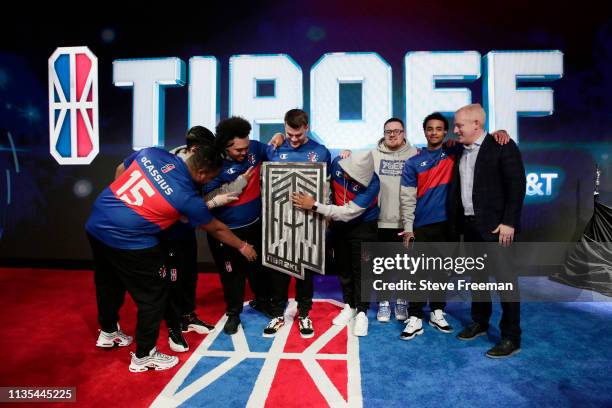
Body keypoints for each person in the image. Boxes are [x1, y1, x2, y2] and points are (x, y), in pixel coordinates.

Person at [86, 144, 257, 372]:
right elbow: (216, 229)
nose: (208, 183)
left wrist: (124, 206)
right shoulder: (187, 198)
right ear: (202, 174)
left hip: (98, 222)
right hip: (131, 242)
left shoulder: (153, 153)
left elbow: (121, 168)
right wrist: (243, 246)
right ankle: (144, 356)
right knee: (154, 296)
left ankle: (108, 332)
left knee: (109, 283)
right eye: (210, 178)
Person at [448, 103, 526, 358]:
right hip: (470, 227)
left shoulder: (502, 146)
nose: (455, 129)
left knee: (506, 283)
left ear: (476, 125)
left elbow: (517, 185)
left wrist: (509, 222)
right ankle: (480, 322)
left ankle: (511, 337)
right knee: (477, 279)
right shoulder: (458, 150)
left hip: (497, 228)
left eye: (459, 125)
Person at [203, 117, 284, 335]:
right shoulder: (213, 165)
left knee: (259, 269)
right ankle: (234, 313)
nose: (244, 153)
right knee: (232, 276)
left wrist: (279, 135)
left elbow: (274, 146)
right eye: (239, 150)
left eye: (246, 147)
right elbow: (206, 198)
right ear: (224, 146)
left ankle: (262, 301)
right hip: (226, 232)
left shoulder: (254, 149)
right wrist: (239, 183)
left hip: (255, 226)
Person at [292, 151, 380, 336]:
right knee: (344, 268)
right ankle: (350, 306)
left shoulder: (373, 183)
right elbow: (326, 186)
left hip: (363, 227)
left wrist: (315, 206)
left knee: (362, 271)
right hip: (339, 227)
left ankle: (362, 313)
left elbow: (348, 212)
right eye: (348, 172)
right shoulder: (338, 162)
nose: (348, 177)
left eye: (355, 177)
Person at [263, 109, 332, 339]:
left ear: (307, 127)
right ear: (284, 127)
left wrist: (326, 214)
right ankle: (277, 314)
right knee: (278, 270)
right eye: (289, 134)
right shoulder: (273, 148)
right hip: (278, 221)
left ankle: (304, 313)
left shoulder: (320, 152)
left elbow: (326, 187)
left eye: (298, 135)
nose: (293, 140)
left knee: (305, 272)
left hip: (308, 223)